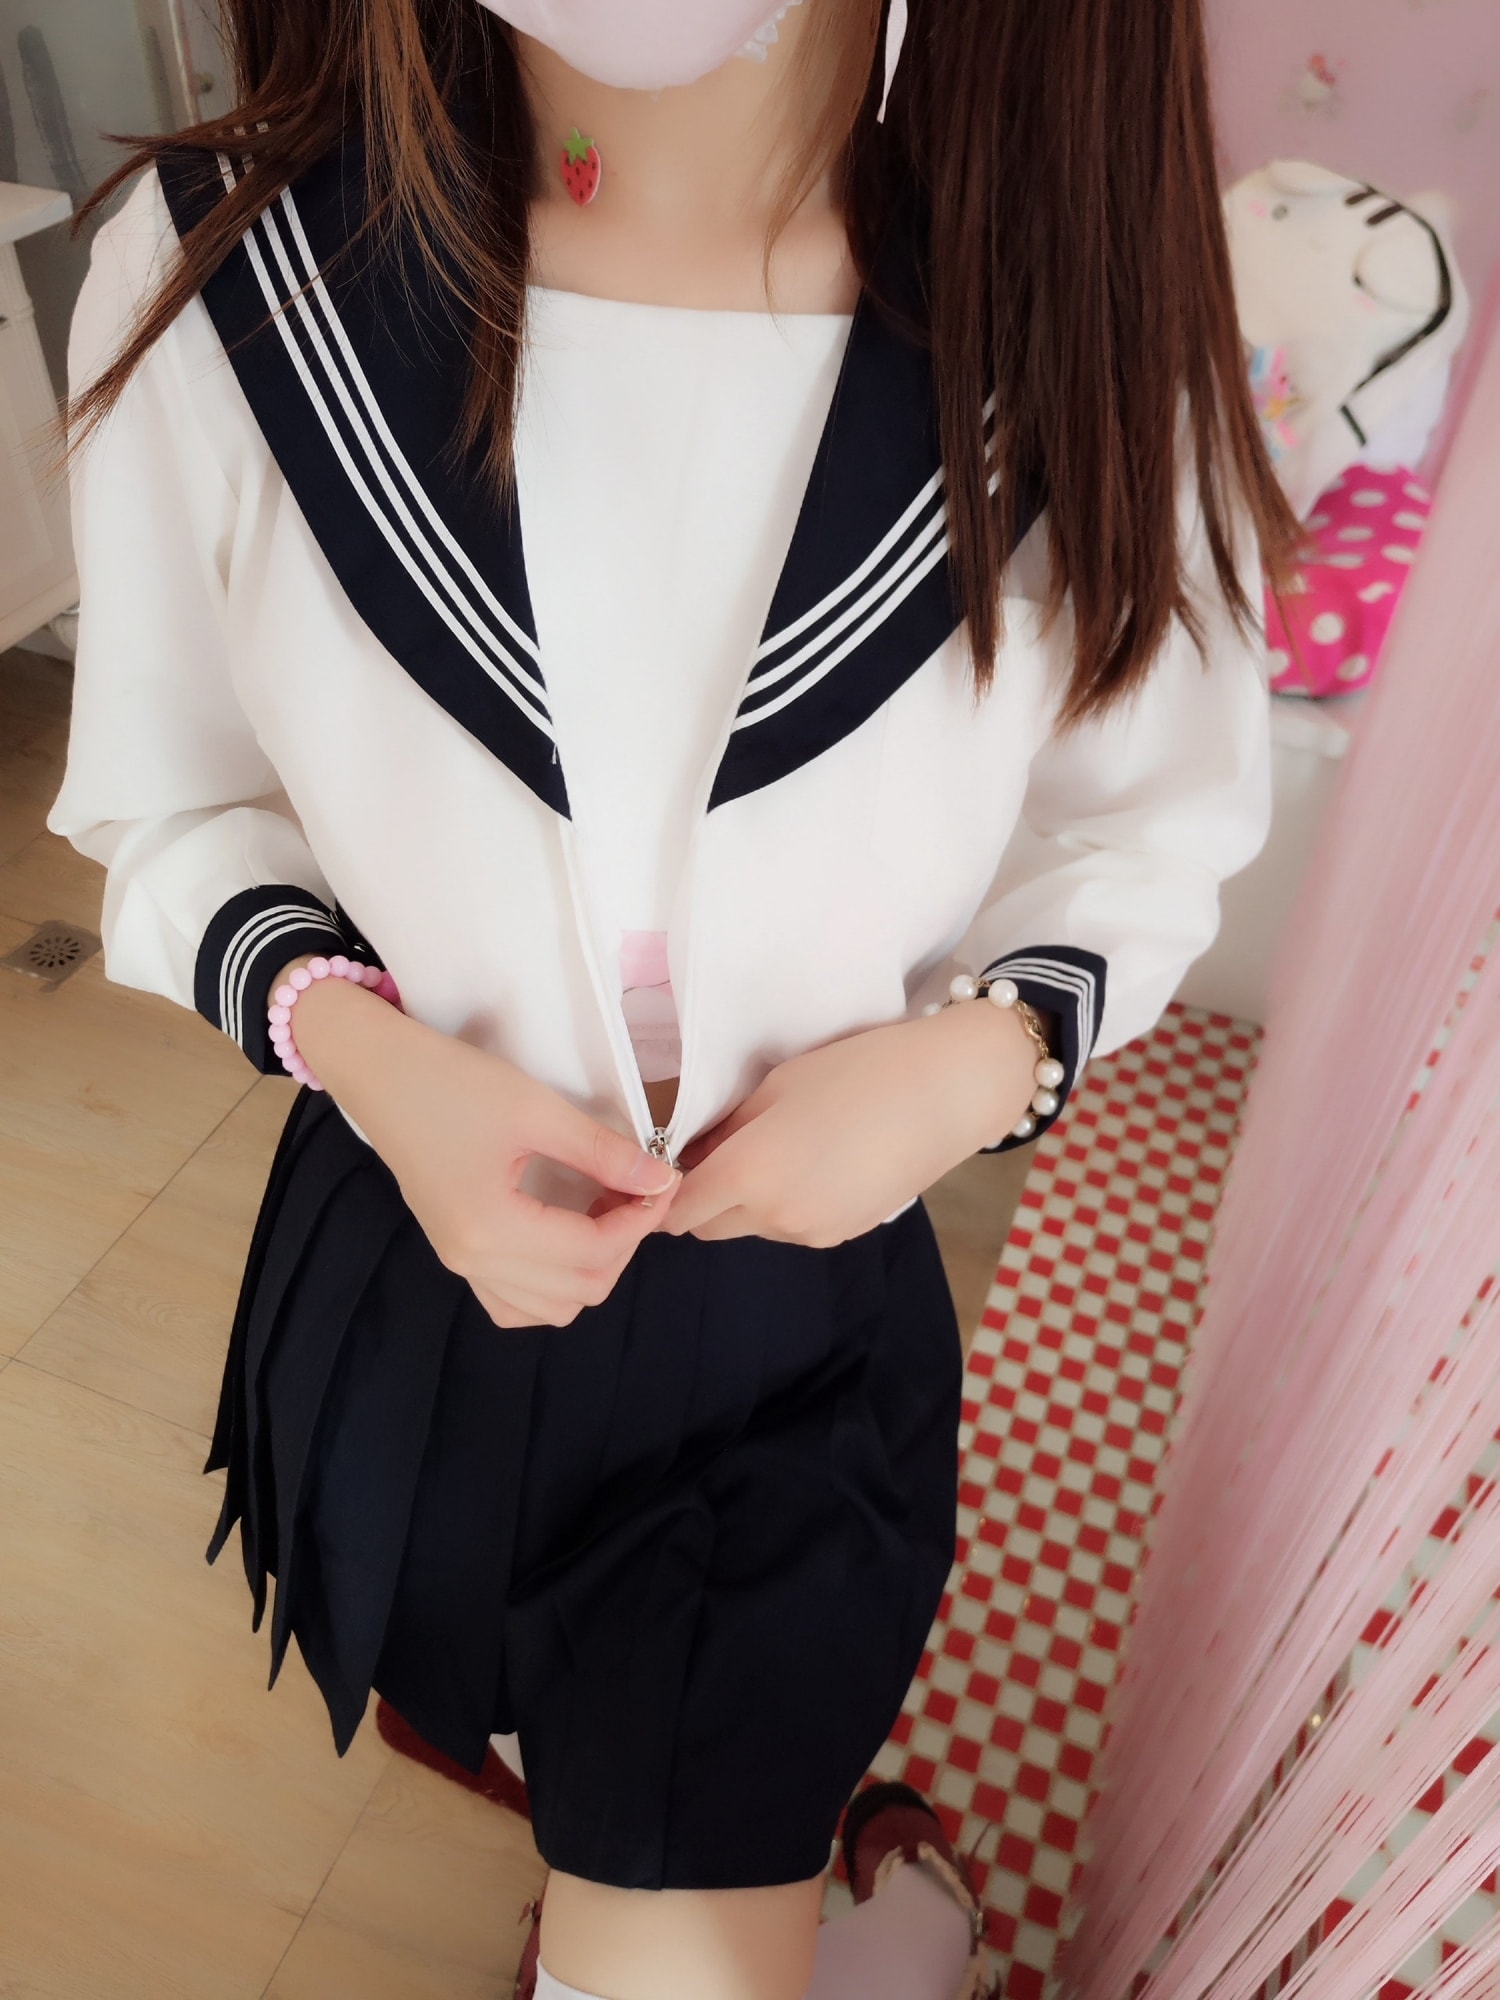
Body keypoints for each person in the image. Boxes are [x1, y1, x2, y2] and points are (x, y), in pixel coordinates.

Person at [47, 0, 1294, 1994]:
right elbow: (172, 796)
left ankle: (807, 1896)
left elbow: (1145, 825)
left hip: (788, 1327)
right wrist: (364, 1050)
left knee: (690, 1892)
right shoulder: (229, 272)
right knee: (536, 1742)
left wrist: (967, 1064)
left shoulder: (1077, 300)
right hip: (412, 1256)